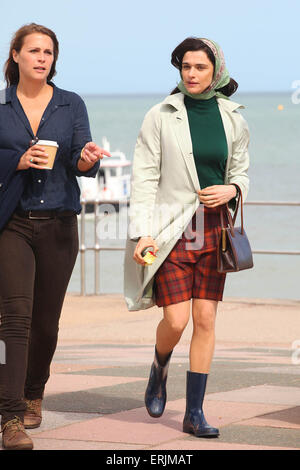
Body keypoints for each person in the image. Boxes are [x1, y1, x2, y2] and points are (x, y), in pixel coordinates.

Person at [124, 37, 250, 438]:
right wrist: (142, 233)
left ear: (217, 71)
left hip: (215, 229)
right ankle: (160, 366)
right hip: (171, 230)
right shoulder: (160, 115)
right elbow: (144, 177)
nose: (192, 74)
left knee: (206, 319)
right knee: (176, 320)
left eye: (200, 67)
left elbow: (241, 171)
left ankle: (194, 413)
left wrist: (232, 189)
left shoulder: (233, 117)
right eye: (185, 67)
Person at [0, 23, 110, 450]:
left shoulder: (70, 104)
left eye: (48, 52)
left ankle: (33, 392)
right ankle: (10, 418)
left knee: (46, 324)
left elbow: (85, 158)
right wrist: (18, 161)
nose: (42, 58)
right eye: (34, 51)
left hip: (61, 224)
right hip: (13, 224)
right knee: (14, 320)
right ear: (16, 56)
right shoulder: (3, 107)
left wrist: (86, 158)